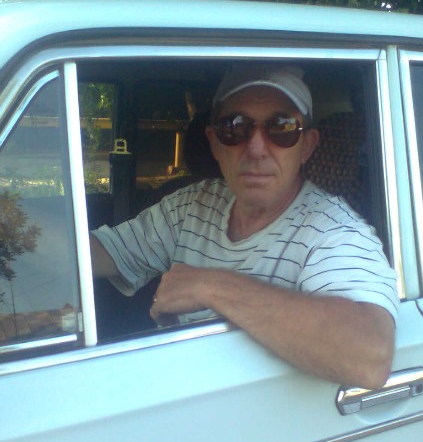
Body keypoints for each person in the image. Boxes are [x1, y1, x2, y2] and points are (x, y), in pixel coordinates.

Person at [90, 64, 399, 389]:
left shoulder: (332, 231)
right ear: (214, 142)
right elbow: (105, 253)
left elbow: (370, 357)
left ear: (307, 146)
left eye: (282, 128)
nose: (256, 149)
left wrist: (212, 287)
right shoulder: (193, 204)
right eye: (235, 127)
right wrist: (48, 244)